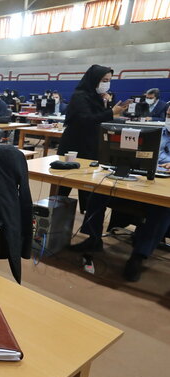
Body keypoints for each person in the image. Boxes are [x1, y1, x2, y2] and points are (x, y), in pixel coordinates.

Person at [69, 105, 170, 282]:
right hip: (141, 175)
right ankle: (93, 239)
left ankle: (139, 255)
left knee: (162, 207)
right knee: (98, 191)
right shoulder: (156, 132)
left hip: (165, 185)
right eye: (169, 114)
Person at [58, 65, 130, 161]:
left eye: (109, 81)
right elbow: (87, 119)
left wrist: (108, 104)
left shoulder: (98, 97)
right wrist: (112, 112)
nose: (107, 84)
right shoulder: (80, 96)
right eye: (104, 81)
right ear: (94, 79)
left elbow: (102, 119)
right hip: (77, 143)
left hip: (92, 141)